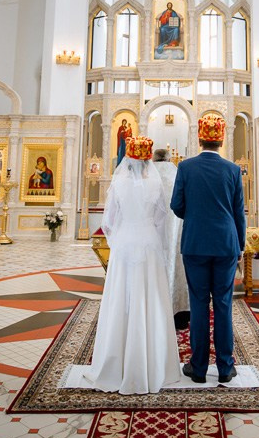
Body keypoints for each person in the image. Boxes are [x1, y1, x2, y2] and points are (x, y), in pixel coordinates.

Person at [77, 136, 180, 393]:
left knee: (120, 300)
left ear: (128, 159)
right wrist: (154, 239)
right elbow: (160, 219)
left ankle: (115, 363)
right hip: (148, 243)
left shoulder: (119, 181)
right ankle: (153, 366)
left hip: (124, 245)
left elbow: (109, 222)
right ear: (147, 161)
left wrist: (118, 241)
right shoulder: (155, 184)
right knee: (150, 300)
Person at [170, 115, 247, 383]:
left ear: (200, 139)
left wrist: (195, 215)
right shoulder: (232, 170)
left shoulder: (186, 167)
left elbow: (176, 205)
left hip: (195, 244)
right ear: (221, 139)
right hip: (226, 244)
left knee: (199, 304)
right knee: (223, 304)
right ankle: (225, 367)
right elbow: (239, 212)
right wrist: (240, 244)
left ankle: (199, 367)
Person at [153, 149, 189, 331]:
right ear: (169, 158)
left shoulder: (147, 173)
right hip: (177, 229)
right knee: (176, 264)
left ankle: (152, 312)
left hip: (152, 234)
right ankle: (179, 313)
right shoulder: (177, 172)